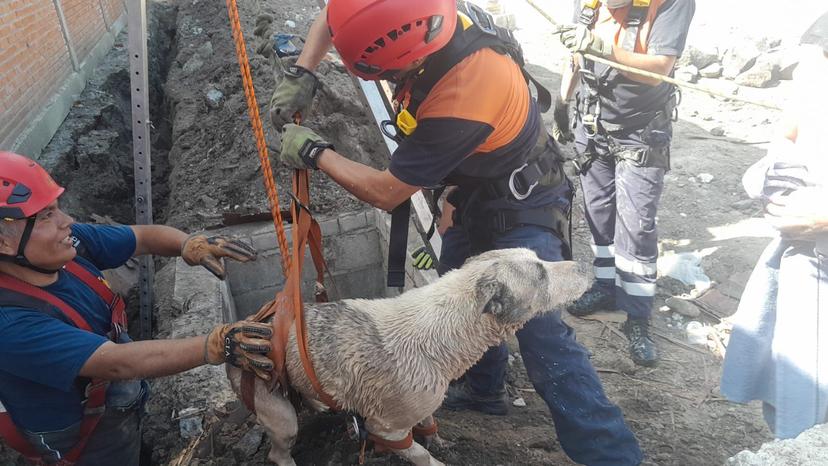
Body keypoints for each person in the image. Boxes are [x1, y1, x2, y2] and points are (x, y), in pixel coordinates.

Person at [269, 1, 642, 464]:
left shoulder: (466, 91)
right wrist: (303, 72)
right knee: (462, 305)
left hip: (524, 203)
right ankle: (485, 394)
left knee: (542, 336)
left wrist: (316, 152)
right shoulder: (419, 12)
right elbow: (336, 20)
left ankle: (611, 455)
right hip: (473, 191)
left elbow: (387, 192)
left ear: (408, 56)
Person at [0, 151, 274, 465]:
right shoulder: (10, 321)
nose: (67, 222)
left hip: (114, 403)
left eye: (57, 209)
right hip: (81, 441)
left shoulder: (68, 247)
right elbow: (117, 364)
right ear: (3, 243)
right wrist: (216, 344)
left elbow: (142, 237)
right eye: (46, 215)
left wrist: (188, 244)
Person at [553, 0, 695, 366]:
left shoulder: (670, 3)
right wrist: (562, 101)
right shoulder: (590, 2)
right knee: (598, 212)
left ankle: (637, 315)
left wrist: (601, 47)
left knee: (635, 225)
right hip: (592, 123)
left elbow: (660, 69)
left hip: (640, 133)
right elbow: (575, 53)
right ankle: (605, 286)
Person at [720, 13, 828, 440]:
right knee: (794, 402)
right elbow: (790, 128)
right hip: (808, 263)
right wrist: (777, 175)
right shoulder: (818, 52)